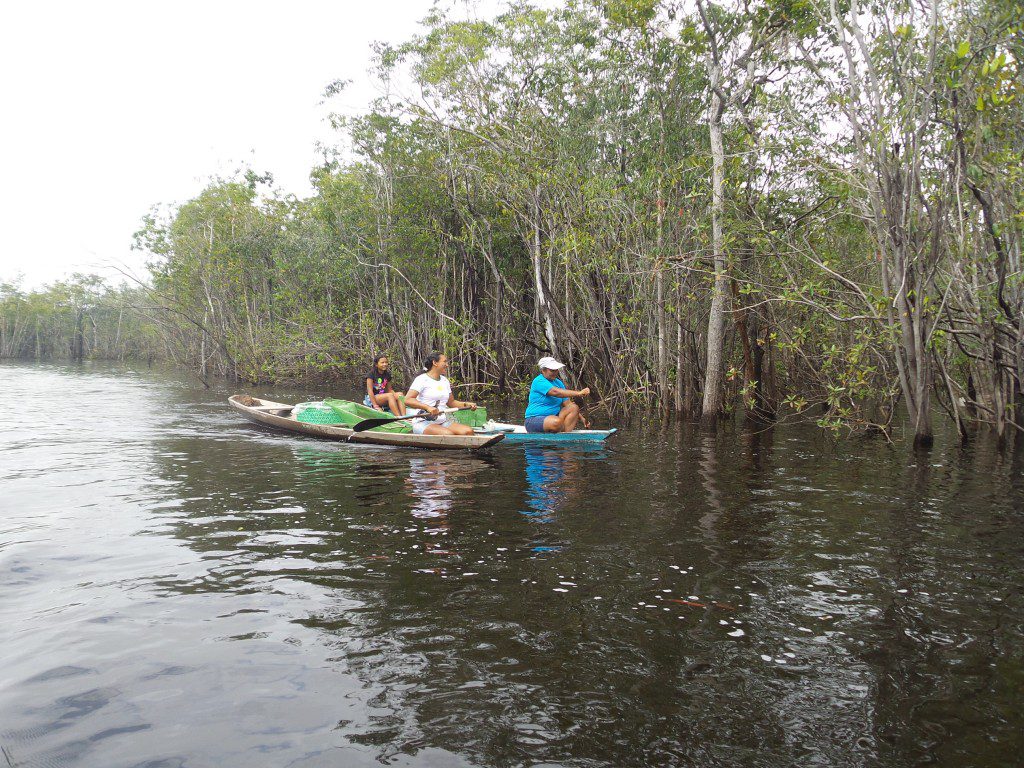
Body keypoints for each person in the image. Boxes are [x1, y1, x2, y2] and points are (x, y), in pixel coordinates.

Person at [404, 351, 478, 436]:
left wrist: (466, 404)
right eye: (444, 361)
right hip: (423, 422)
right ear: (435, 363)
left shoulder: (444, 380)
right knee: (448, 434)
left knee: (468, 431)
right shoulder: (421, 379)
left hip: (443, 421)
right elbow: (408, 400)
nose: (447, 365)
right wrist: (428, 407)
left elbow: (451, 403)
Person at [525, 356, 591, 433]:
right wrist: (579, 393)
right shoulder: (538, 381)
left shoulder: (558, 383)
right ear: (543, 370)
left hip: (554, 418)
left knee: (573, 407)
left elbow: (567, 403)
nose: (555, 372)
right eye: (552, 370)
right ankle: (560, 431)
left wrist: (583, 419)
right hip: (533, 420)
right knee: (557, 422)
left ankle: (565, 435)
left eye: (556, 370)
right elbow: (556, 392)